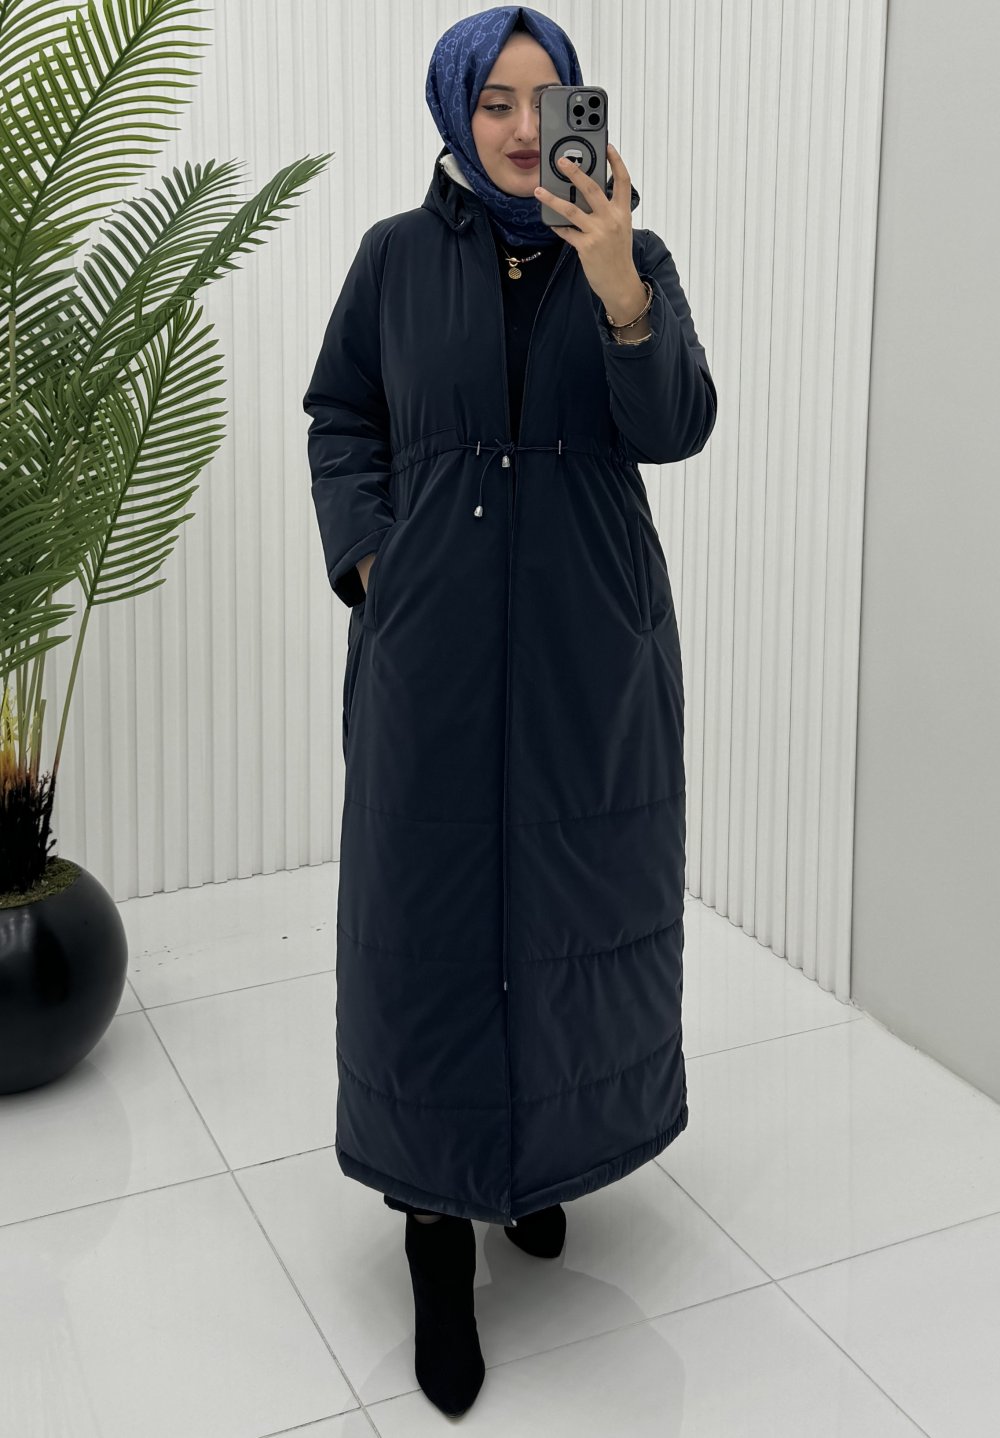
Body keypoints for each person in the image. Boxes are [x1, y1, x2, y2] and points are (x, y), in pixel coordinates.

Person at [302, 4, 717, 1417]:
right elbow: (342, 413)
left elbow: (675, 425)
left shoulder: (633, 257)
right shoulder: (392, 258)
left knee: (569, 906)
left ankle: (540, 1164)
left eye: (551, 100)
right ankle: (435, 1227)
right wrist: (373, 559)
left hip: (588, 649)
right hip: (430, 647)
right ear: (455, 110)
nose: (528, 129)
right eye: (498, 101)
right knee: (427, 921)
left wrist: (617, 283)